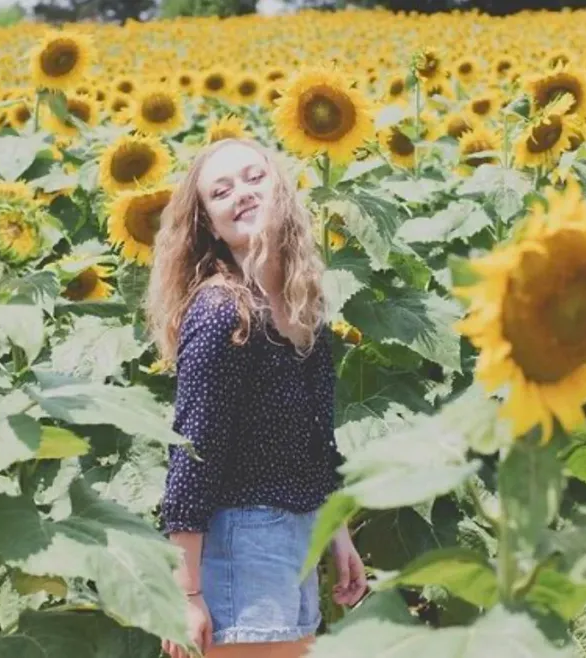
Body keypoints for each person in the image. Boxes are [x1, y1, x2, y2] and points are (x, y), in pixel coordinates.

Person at [145, 138, 367, 658]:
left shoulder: (303, 311)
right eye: (221, 191)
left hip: (294, 538)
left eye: (253, 178)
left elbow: (315, 443)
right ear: (210, 225)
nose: (240, 194)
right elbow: (192, 454)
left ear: (281, 192)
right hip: (238, 546)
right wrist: (188, 592)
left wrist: (338, 534)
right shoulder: (223, 314)